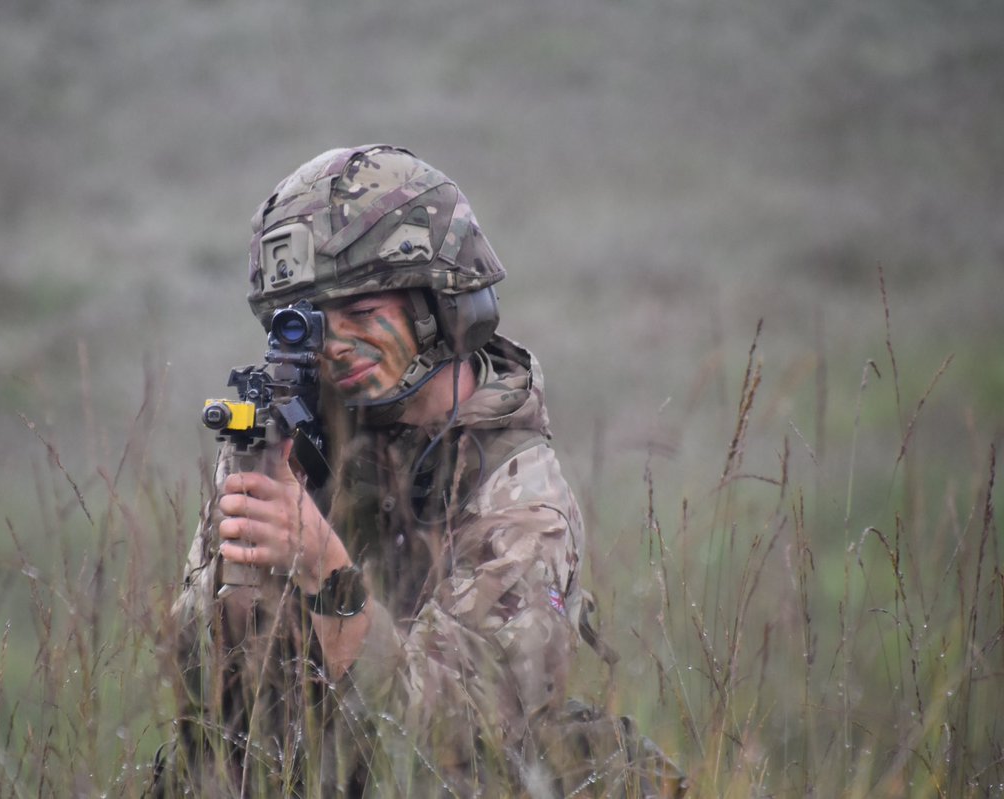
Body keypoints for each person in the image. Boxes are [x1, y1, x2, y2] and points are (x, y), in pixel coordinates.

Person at [150, 145, 685, 797]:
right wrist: (247, 516)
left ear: (445, 306)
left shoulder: (519, 490)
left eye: (361, 313)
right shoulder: (296, 446)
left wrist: (325, 570)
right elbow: (216, 713)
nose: (336, 345)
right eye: (316, 322)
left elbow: (452, 741)